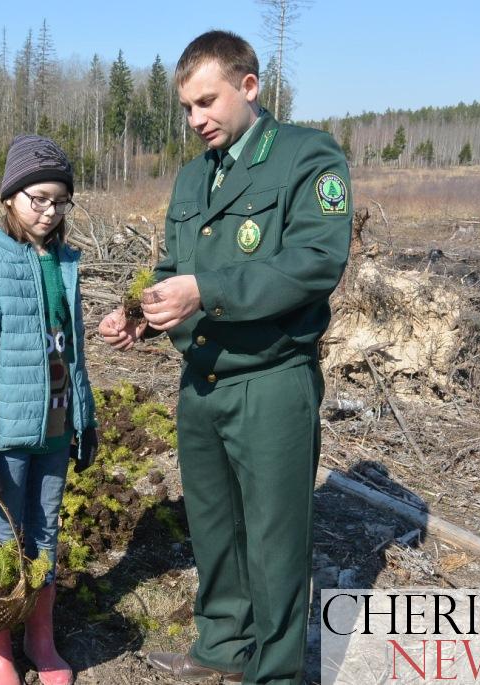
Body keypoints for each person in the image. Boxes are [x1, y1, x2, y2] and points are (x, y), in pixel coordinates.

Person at [99, 30, 352, 685]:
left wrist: (205, 290)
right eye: (186, 108)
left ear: (248, 86)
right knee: (213, 527)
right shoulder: (192, 177)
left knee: (274, 539)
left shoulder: (305, 157)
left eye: (206, 102)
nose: (195, 119)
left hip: (270, 380)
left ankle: (274, 671)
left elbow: (313, 263)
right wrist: (138, 315)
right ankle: (221, 646)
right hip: (202, 384)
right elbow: (170, 269)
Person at [0, 134, 98, 685]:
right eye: (37, 198)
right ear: (11, 197)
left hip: (55, 430)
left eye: (59, 200)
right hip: (6, 437)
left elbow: (75, 350)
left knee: (46, 530)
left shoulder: (63, 261)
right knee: (3, 537)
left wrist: (86, 420)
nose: (48, 210)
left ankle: (41, 638)